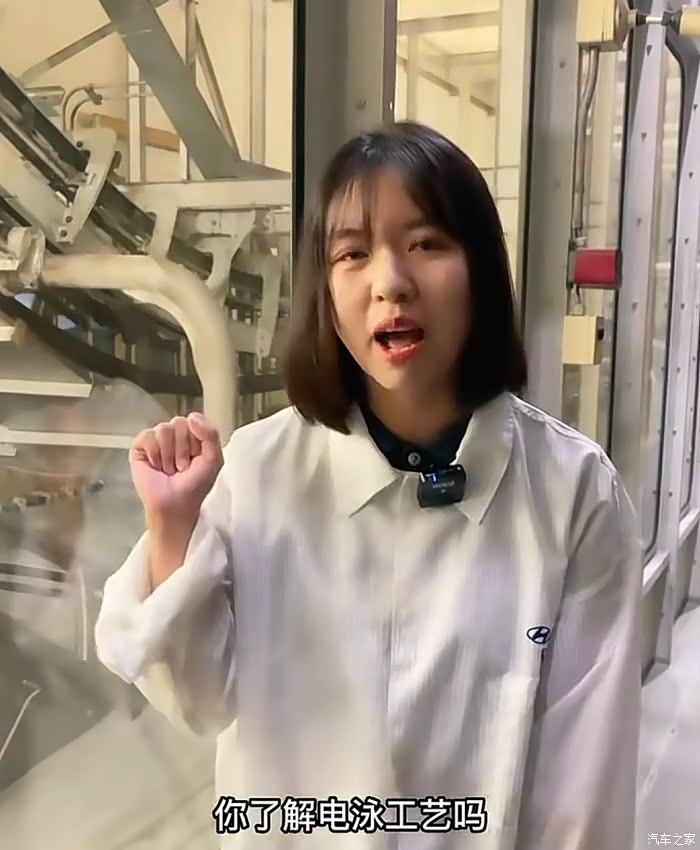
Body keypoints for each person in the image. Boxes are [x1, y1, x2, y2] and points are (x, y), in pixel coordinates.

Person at [94, 122, 643, 849]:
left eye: (426, 243)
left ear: (480, 270)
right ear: (324, 291)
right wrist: (173, 528)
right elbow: (197, 700)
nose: (390, 283)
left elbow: (585, 791)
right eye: (352, 253)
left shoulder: (574, 493)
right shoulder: (256, 473)